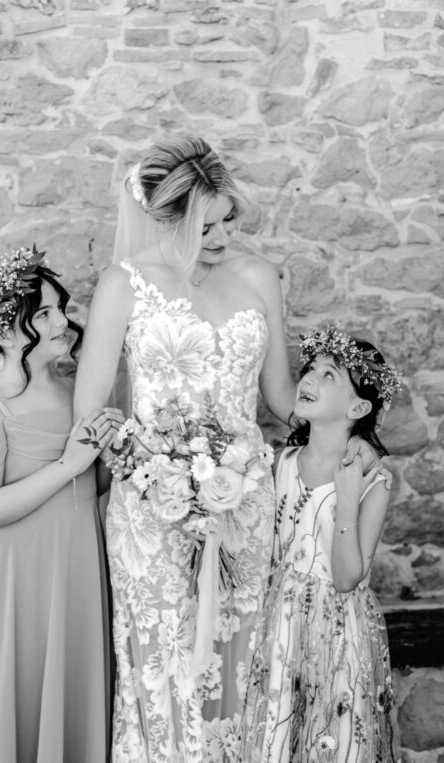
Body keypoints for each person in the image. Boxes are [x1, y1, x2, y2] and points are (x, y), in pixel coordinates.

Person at [73, 136, 298, 761]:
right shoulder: (124, 285)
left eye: (229, 219)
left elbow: (280, 399)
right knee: (163, 662)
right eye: (207, 226)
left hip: (245, 504)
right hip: (152, 512)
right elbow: (90, 413)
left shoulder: (257, 277)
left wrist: (351, 431)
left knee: (240, 657)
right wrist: (156, 469)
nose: (223, 236)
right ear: (165, 219)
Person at [0, 246, 122, 762]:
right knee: (24, 689)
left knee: (74, 682)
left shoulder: (76, 391)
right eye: (43, 313)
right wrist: (68, 464)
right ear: (4, 330)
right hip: (23, 572)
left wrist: (110, 454)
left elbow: (92, 485)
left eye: (60, 308)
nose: (62, 322)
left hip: (79, 561)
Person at [238, 326, 399, 761]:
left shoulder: (374, 481)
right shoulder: (280, 463)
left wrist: (346, 501)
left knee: (334, 738)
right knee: (276, 732)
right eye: (310, 368)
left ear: (358, 405)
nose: (308, 378)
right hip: (279, 625)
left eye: (330, 375)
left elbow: (348, 578)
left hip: (338, 631)